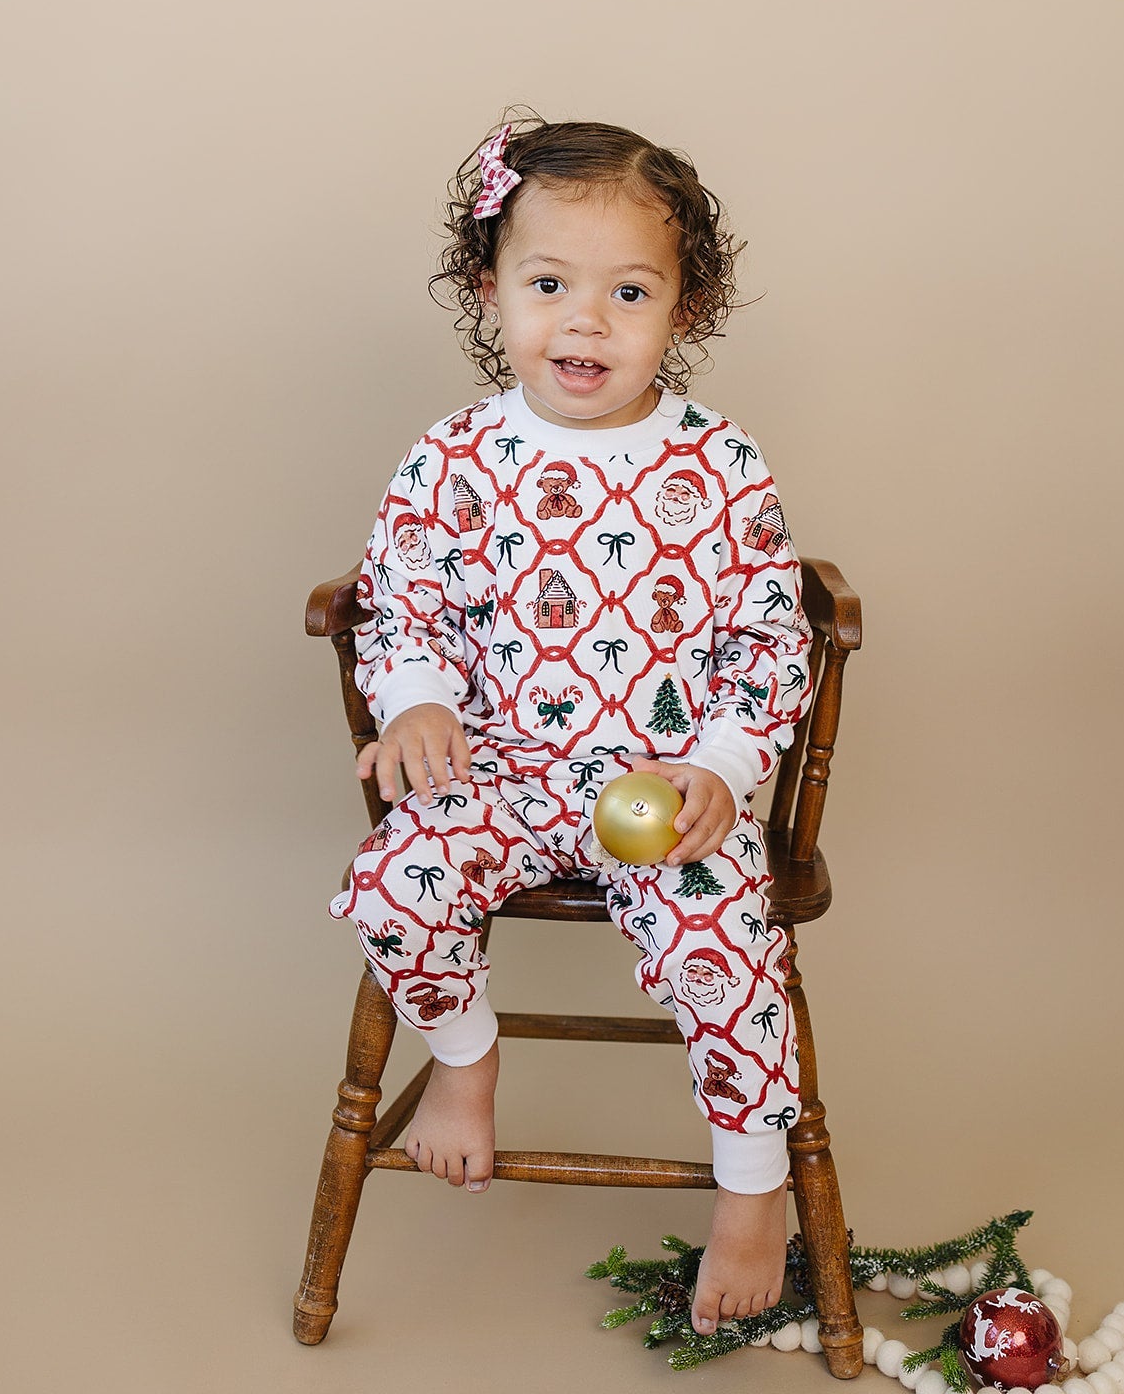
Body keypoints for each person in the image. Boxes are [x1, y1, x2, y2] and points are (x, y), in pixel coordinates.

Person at [328, 115, 813, 1336]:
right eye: (548, 285)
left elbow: (768, 638)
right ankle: (463, 1056)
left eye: (627, 293)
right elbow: (403, 608)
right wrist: (416, 701)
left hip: (665, 784)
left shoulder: (716, 464)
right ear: (487, 288)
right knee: (392, 885)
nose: (584, 322)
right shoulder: (455, 457)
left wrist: (719, 765)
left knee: (727, 940)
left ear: (684, 309)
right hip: (498, 771)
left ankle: (753, 1184)